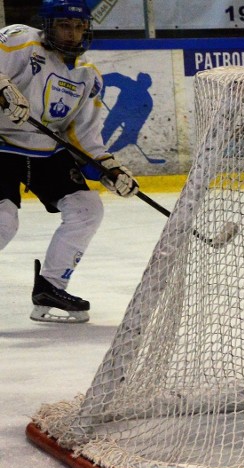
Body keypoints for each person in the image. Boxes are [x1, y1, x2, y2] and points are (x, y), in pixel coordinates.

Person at [0, 0, 139, 323]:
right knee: (4, 220)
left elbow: (83, 135)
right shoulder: (20, 39)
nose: (72, 34)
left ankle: (50, 286)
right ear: (47, 25)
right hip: (1, 145)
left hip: (45, 150)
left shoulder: (87, 76)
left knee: (86, 207)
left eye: (79, 27)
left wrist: (109, 169)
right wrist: (3, 89)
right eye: (64, 25)